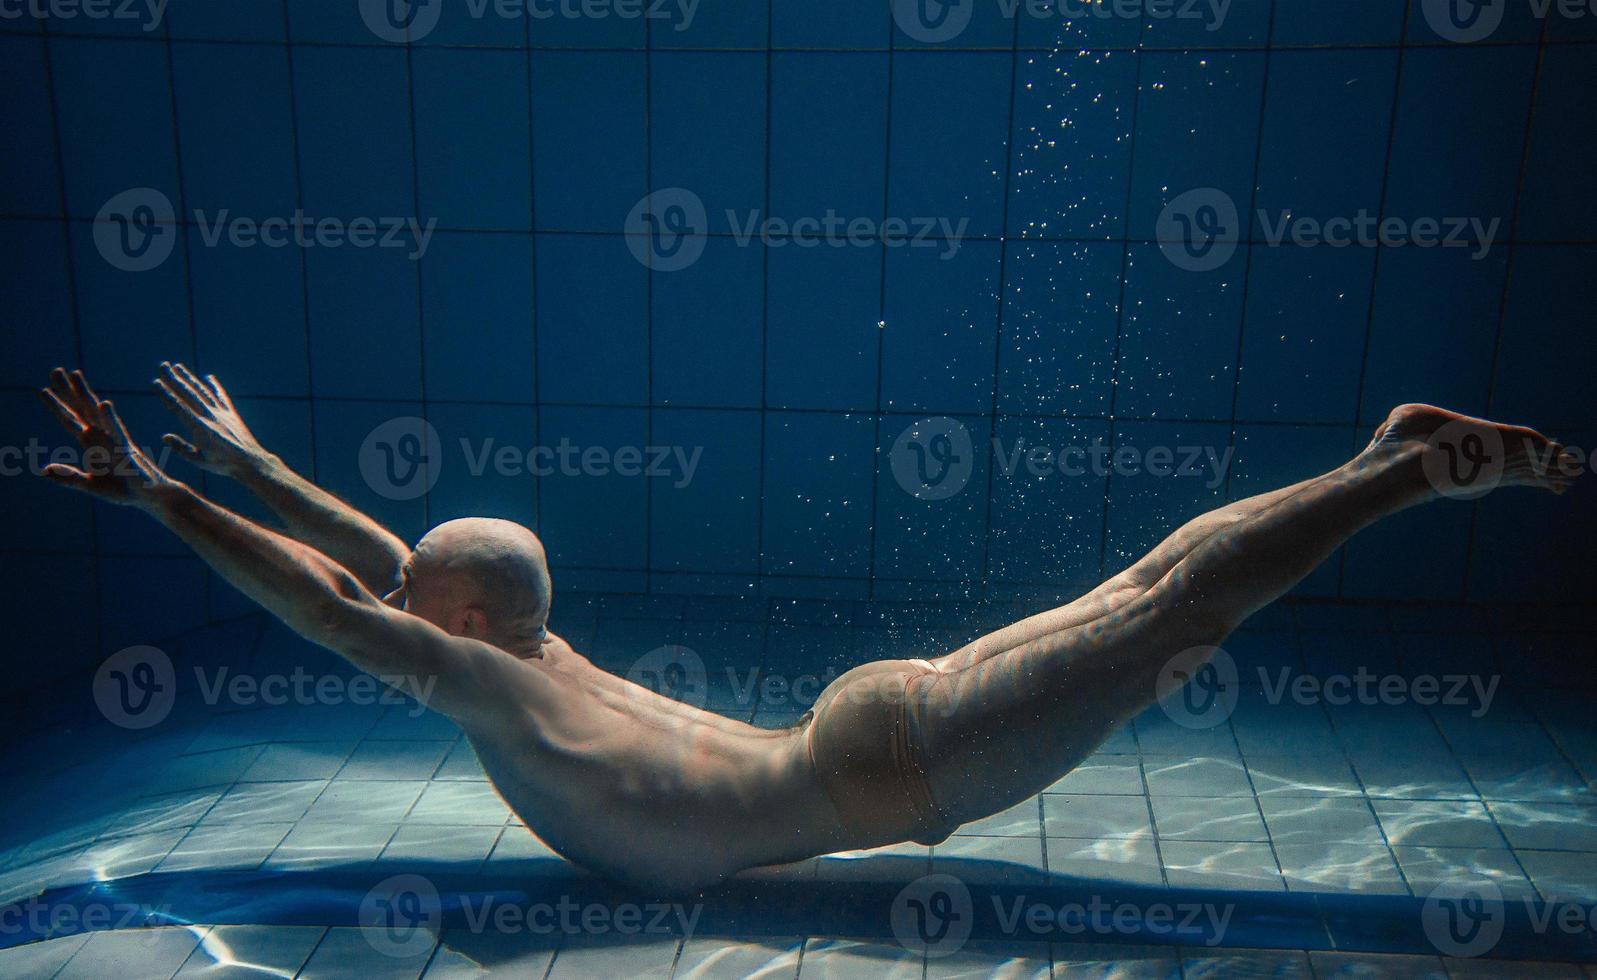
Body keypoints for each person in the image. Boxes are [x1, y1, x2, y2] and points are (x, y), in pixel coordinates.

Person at [37, 363, 1578, 892]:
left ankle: (1402, 475)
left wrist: (161, 499)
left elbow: (326, 594)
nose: (390, 602)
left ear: (454, 618)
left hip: (887, 773)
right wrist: (245, 464)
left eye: (410, 603)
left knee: (1168, 612)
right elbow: (374, 552)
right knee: (1145, 598)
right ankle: (1384, 455)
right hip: (867, 726)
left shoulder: (478, 684)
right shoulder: (525, 642)